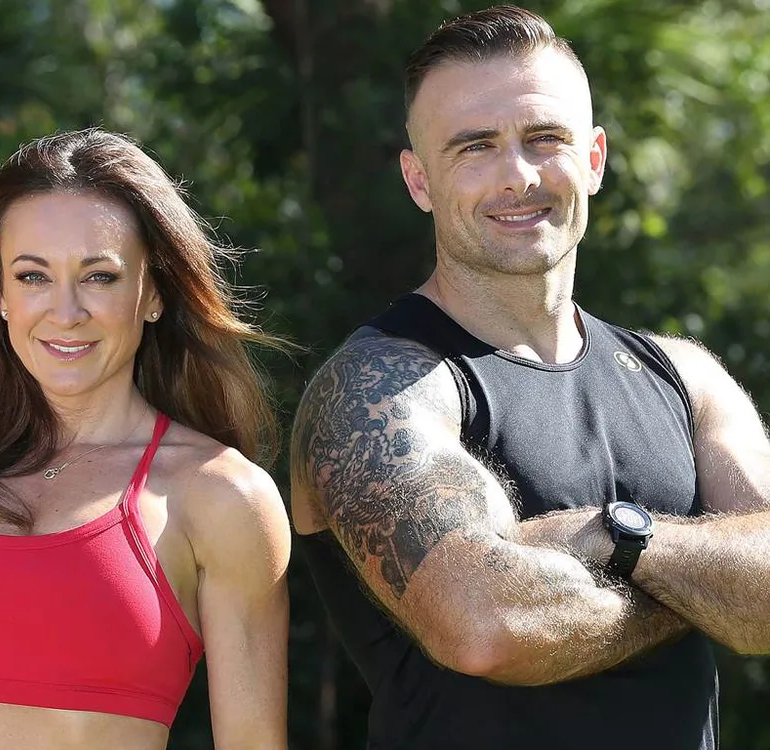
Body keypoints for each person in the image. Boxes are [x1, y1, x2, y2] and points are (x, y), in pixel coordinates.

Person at [289, 6, 770, 750]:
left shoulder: (685, 377)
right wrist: (709, 590)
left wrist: (612, 540)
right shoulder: (378, 388)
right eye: (473, 148)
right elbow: (488, 627)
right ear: (418, 180)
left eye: (544, 139)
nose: (516, 176)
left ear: (595, 158)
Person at [0, 128, 291, 750]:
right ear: (1, 296)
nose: (65, 312)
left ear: (151, 294)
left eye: (99, 277)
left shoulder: (221, 498)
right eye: (33, 276)